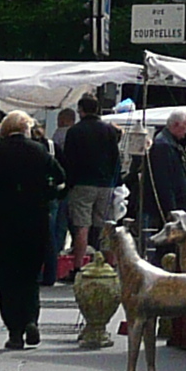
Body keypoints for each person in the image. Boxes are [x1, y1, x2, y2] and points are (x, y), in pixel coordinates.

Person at [0, 110, 58, 348]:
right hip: (35, 221)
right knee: (29, 276)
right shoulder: (39, 151)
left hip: (3, 222)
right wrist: (48, 195)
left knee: (6, 278)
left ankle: (14, 330)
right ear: (27, 128)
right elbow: (62, 178)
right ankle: (31, 319)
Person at [59, 97, 124, 265]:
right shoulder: (109, 130)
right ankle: (110, 264)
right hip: (105, 185)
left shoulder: (74, 131)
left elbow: (69, 161)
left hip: (82, 183)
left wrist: (68, 184)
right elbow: (115, 159)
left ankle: (79, 265)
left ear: (81, 110)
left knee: (82, 226)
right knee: (105, 226)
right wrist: (116, 182)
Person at [149, 110, 186, 222]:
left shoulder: (172, 144)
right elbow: (164, 182)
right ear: (176, 124)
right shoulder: (163, 146)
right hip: (169, 211)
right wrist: (171, 211)